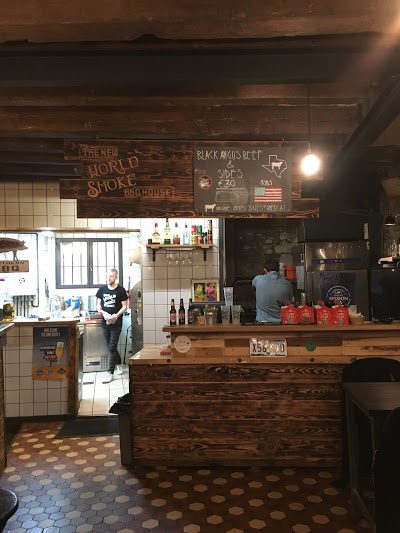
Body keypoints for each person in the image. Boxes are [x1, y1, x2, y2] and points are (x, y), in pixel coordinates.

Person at [96, 268, 128, 383]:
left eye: (111, 276)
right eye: (108, 276)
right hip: (105, 322)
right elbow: (98, 305)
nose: (108, 278)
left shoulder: (121, 290)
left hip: (116, 323)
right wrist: (102, 312)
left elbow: (125, 306)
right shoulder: (102, 290)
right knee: (111, 347)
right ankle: (119, 364)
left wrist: (116, 315)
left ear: (116, 277)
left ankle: (110, 372)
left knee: (112, 347)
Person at [252, 258, 293, 323]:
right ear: (279, 270)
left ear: (265, 270)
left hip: (262, 323)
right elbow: (290, 303)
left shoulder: (258, 279)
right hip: (282, 323)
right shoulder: (288, 284)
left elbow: (253, 286)